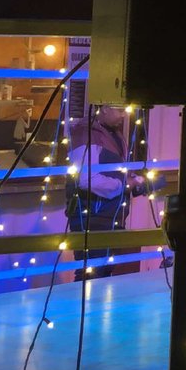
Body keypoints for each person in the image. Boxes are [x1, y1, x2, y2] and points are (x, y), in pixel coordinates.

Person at [65, 104, 148, 266]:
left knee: (103, 270)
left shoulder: (112, 134)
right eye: (120, 110)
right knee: (92, 271)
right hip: (93, 217)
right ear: (104, 108)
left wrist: (136, 181)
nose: (124, 115)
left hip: (110, 215)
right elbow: (87, 180)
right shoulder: (87, 133)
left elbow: (114, 170)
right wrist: (124, 184)